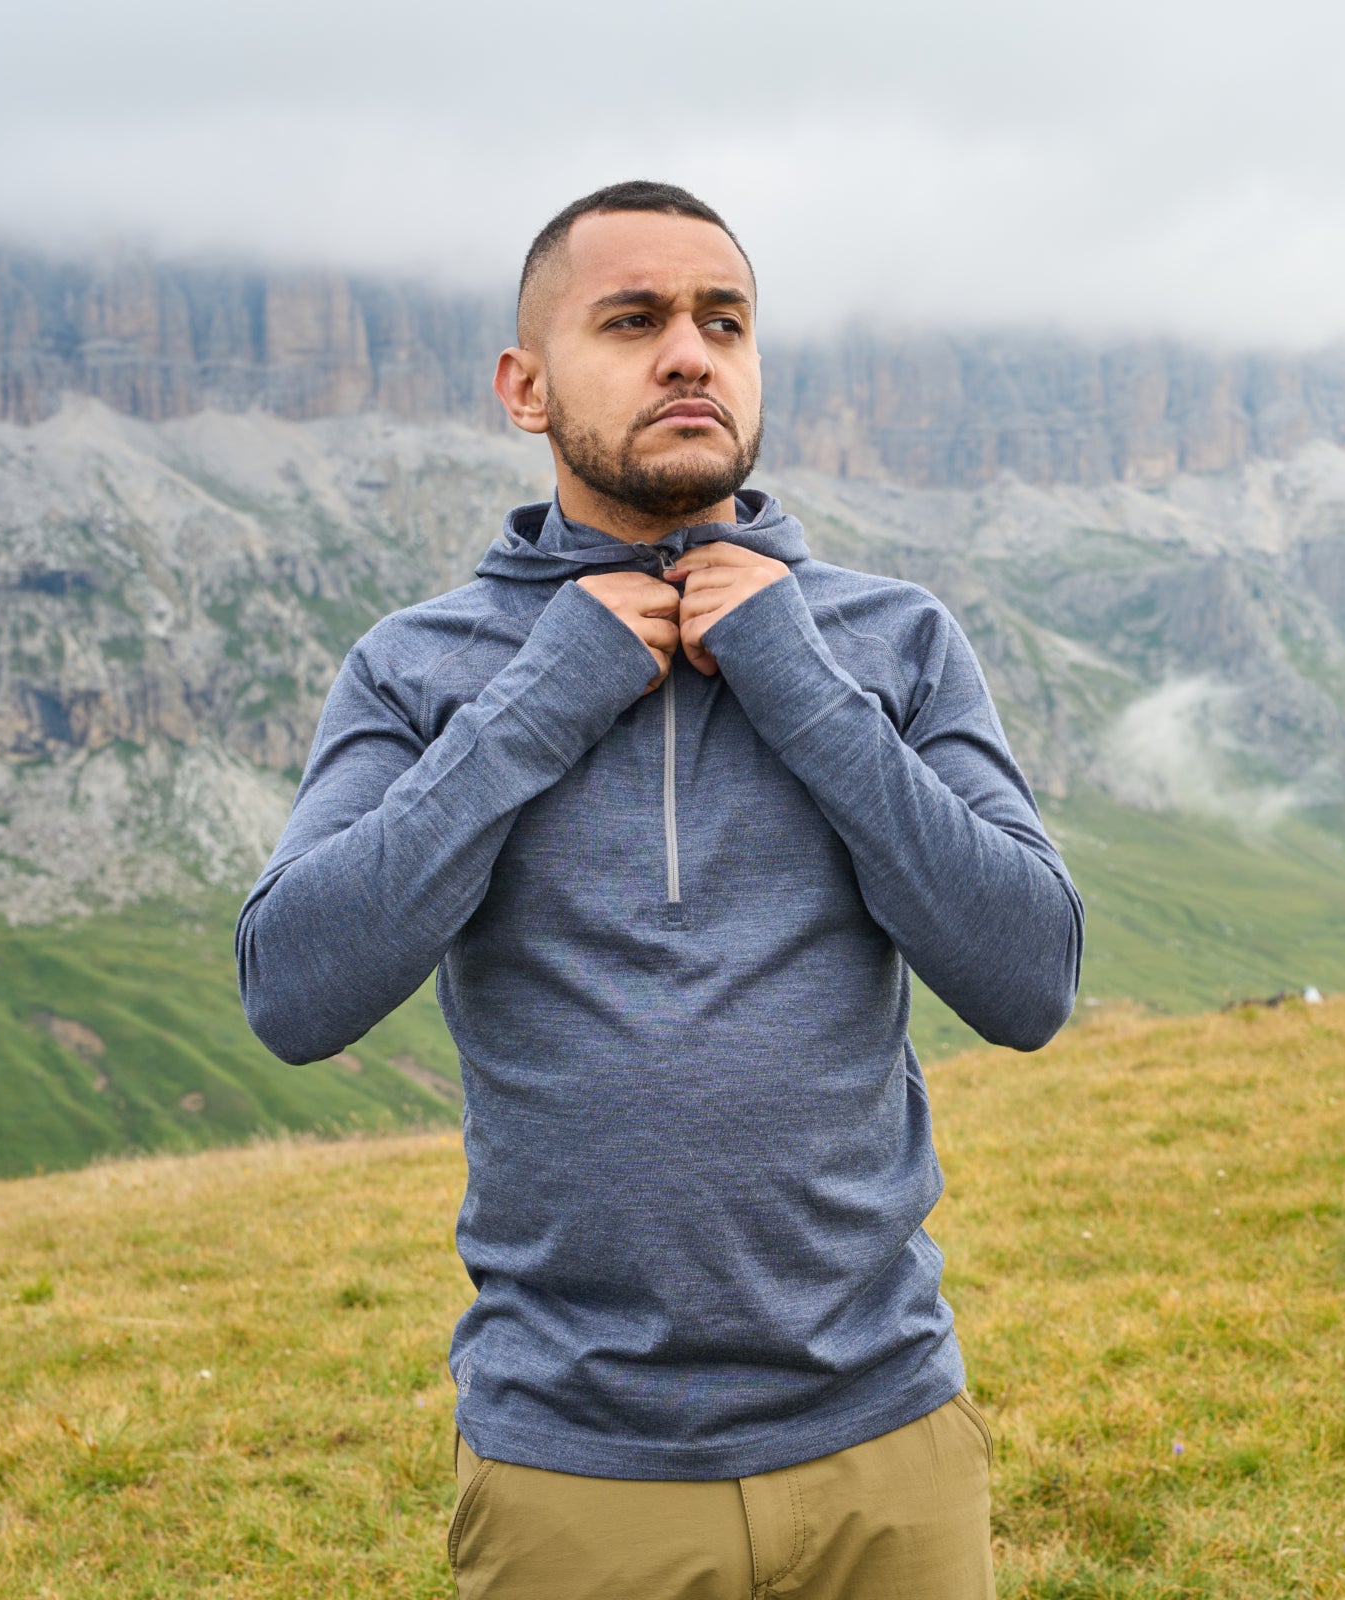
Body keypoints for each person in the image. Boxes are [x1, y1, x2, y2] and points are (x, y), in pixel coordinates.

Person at [237, 179, 1084, 1598]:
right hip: (574, 1476)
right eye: (631, 320)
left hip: (887, 1449)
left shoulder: (894, 640)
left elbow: (1030, 978)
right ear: (525, 386)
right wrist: (542, 697)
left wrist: (798, 680)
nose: (689, 352)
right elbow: (292, 991)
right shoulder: (419, 665)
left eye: (724, 321)